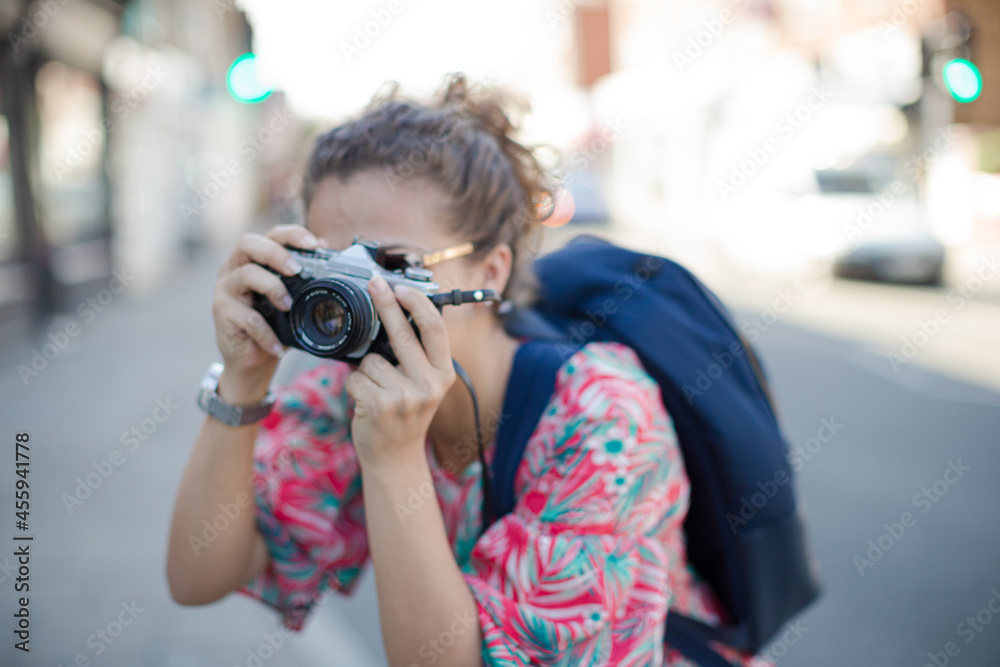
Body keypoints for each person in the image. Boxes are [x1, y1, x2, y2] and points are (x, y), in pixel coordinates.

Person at [166, 73, 770, 667]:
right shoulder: (341, 394)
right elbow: (198, 576)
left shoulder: (601, 413)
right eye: (330, 264)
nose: (352, 297)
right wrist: (243, 379)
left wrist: (394, 456)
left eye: (393, 263)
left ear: (490, 273)